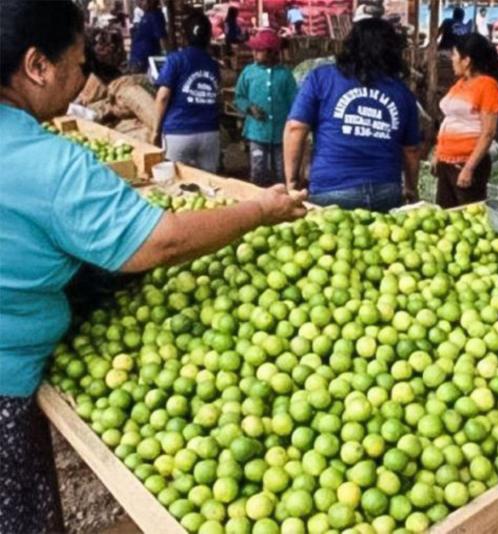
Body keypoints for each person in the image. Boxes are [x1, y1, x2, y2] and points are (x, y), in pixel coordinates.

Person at [0, 2, 307, 532]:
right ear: (36, 65)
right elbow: (159, 243)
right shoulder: (47, 162)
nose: (83, 79)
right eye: (77, 62)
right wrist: (260, 210)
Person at [284, 18, 421, 211]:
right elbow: (412, 150)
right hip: (386, 190)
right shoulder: (402, 92)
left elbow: (295, 128)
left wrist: (291, 181)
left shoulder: (321, 78)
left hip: (332, 190)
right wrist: (411, 188)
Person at [434, 33, 498, 208]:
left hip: (465, 163)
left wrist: (469, 168)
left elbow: (488, 133)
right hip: (447, 162)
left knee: (467, 216)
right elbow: (450, 119)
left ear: (466, 60)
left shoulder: (487, 86)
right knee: (445, 215)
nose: (452, 59)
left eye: (454, 55)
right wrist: (438, 153)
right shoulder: (461, 83)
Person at [152, 10, 221, 172]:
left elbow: (162, 97)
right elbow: (217, 96)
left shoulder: (175, 60)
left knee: (176, 185)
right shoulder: (213, 65)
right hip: (209, 133)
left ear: (184, 36)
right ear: (209, 38)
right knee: (210, 187)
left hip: (178, 132)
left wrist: (155, 131)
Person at [234, 30, 297, 186]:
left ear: (272, 53)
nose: (254, 53)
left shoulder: (285, 75)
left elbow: (295, 102)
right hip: (256, 132)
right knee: (257, 170)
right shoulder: (249, 72)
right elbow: (239, 97)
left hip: (280, 134)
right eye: (254, 49)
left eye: (259, 50)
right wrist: (249, 108)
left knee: (281, 171)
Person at [128, 0, 167, 73]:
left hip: (144, 60)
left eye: (143, 0)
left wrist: (166, 55)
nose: (140, 3)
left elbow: (162, 38)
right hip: (138, 57)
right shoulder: (147, 15)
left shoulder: (155, 16)